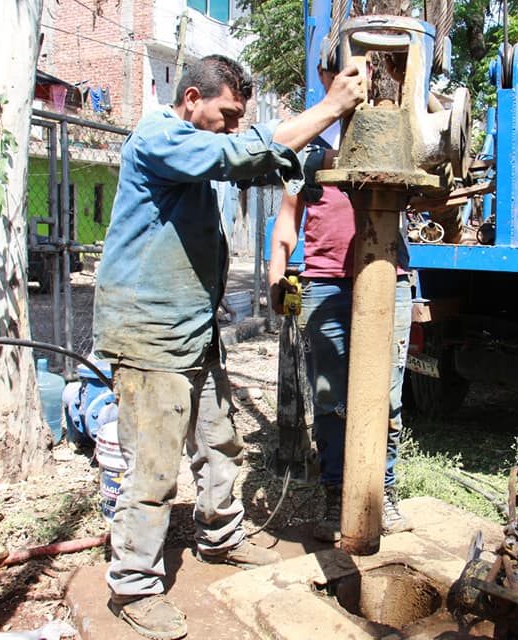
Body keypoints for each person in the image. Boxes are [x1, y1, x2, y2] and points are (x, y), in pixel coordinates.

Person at [93, 55, 363, 640]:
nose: (235, 126)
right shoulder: (160, 136)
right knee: (155, 466)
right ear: (192, 97)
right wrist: (328, 107)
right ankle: (133, 584)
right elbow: (237, 156)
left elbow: (253, 162)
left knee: (218, 440)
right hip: (149, 331)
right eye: (228, 113)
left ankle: (220, 534)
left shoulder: (198, 142)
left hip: (192, 326)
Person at [267, 67, 413, 544]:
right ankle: (336, 495)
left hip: (390, 281)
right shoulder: (307, 148)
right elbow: (287, 221)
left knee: (386, 399)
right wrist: (277, 276)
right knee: (331, 399)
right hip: (325, 287)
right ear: (328, 73)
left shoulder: (401, 131)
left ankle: (380, 493)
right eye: (347, 67)